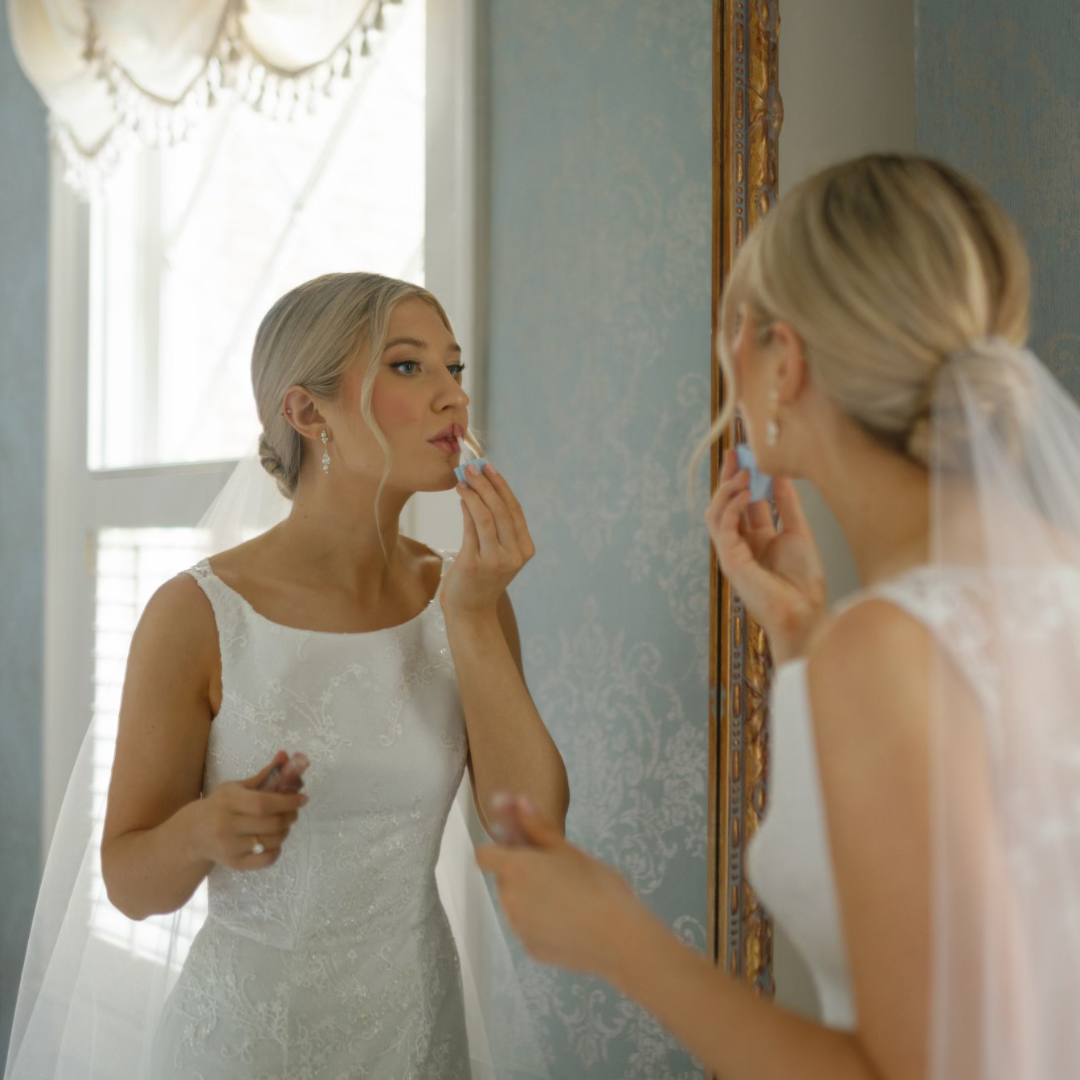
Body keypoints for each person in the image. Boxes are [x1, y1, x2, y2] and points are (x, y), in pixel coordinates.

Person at [479, 154, 1080, 1080]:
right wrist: (805, 631)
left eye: (736, 333)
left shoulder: (884, 652)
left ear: (784, 359)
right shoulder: (1036, 579)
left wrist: (619, 940)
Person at [7, 272, 568, 1079]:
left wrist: (475, 617)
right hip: (243, 1046)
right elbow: (129, 886)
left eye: (456, 368)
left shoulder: (465, 598)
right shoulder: (195, 615)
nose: (454, 397)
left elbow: (534, 828)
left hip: (417, 1034)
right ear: (307, 412)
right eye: (411, 368)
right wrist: (203, 830)